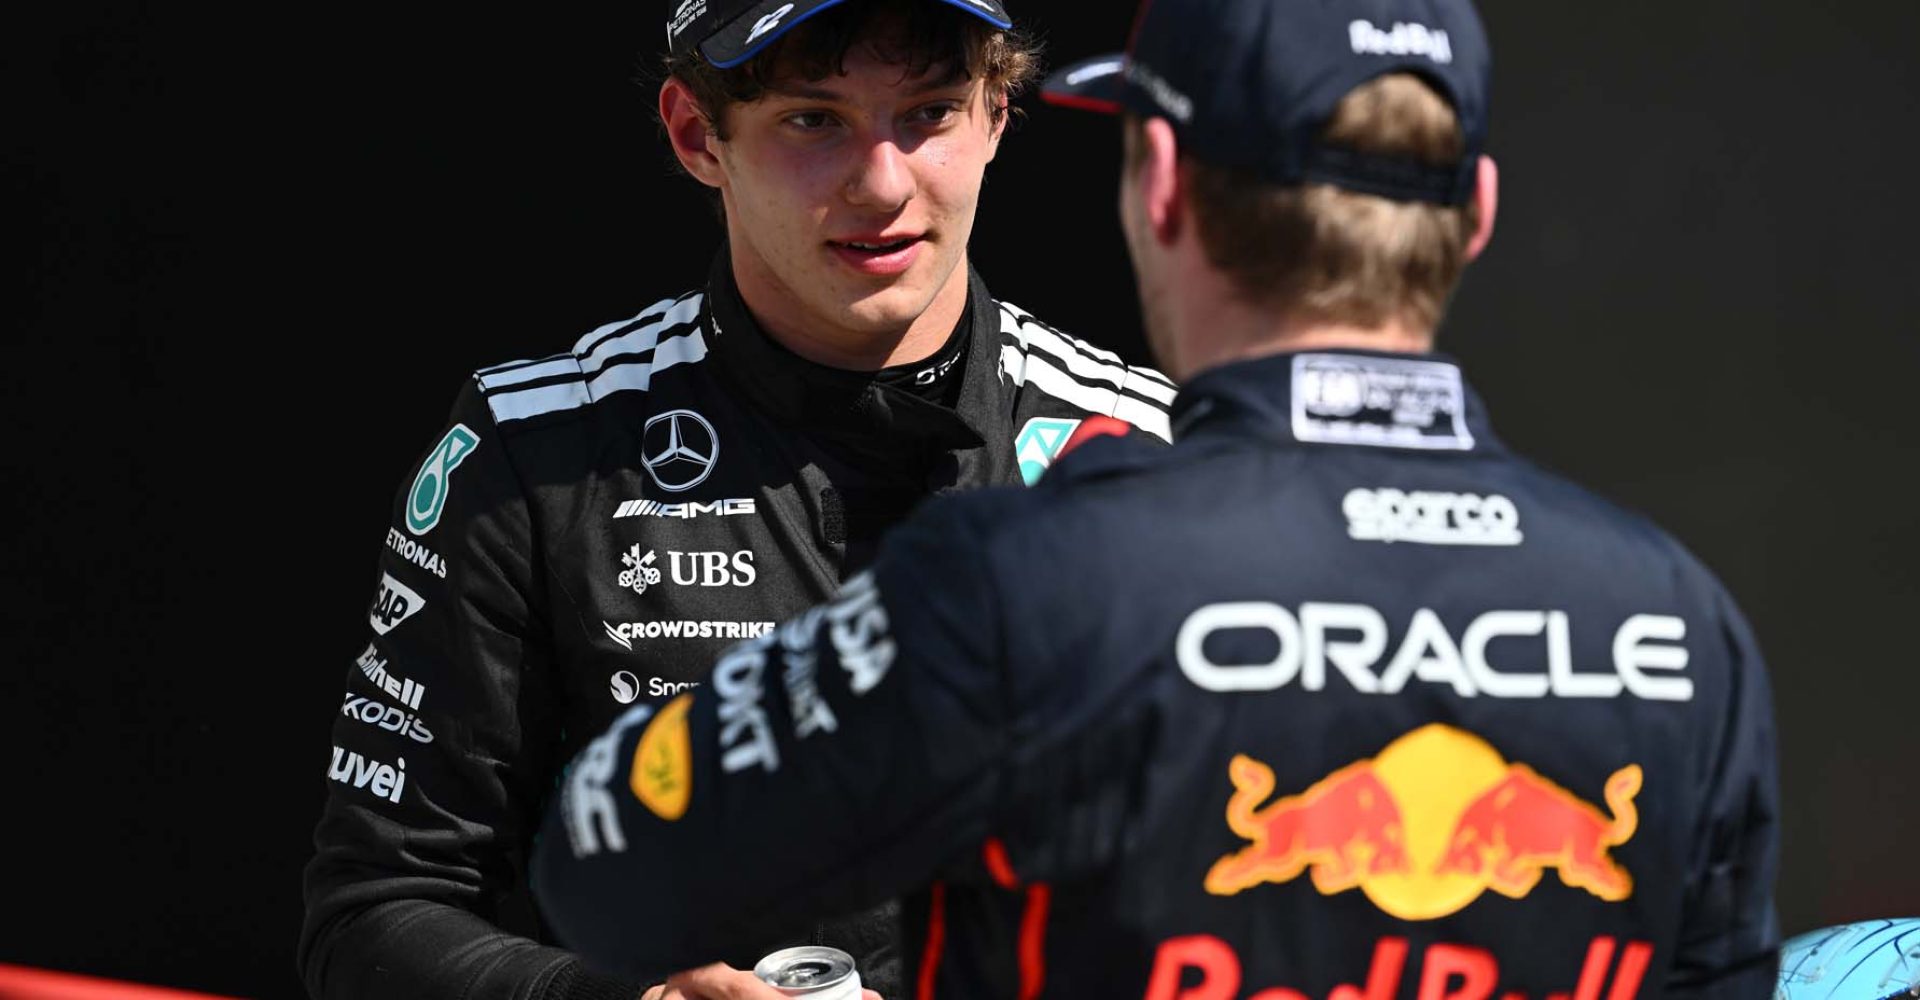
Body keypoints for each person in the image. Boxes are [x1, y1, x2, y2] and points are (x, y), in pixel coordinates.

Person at [527, 0, 1783, 996]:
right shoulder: (1684, 623)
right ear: (1478, 215)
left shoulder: (1023, 573)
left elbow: (603, 865)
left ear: (1160, 179)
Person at [296, 0, 1176, 997]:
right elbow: (374, 914)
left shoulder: (1156, 456)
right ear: (695, 134)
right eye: (814, 119)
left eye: (929, 114)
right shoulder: (538, 448)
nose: (882, 183)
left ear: (998, 117)